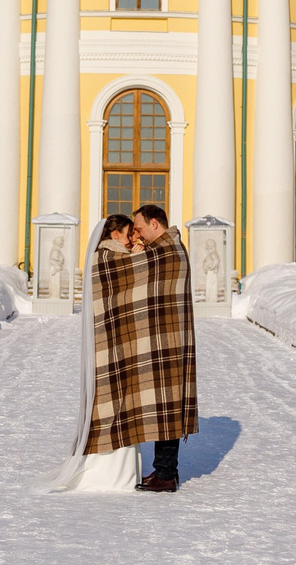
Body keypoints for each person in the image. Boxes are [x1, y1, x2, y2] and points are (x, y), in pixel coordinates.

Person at [49, 214, 141, 493]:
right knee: (115, 402)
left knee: (118, 401)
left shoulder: (107, 256)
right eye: (129, 234)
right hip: (111, 343)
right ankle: (107, 474)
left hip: (113, 342)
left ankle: (112, 471)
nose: (133, 239)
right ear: (115, 236)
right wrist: (138, 257)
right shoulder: (110, 257)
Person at [125, 204, 198, 492]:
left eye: (140, 229)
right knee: (163, 405)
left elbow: (136, 276)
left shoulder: (167, 251)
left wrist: (131, 259)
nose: (138, 236)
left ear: (154, 224)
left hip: (168, 340)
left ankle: (166, 474)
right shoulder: (166, 250)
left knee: (166, 406)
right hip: (166, 338)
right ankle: (164, 471)